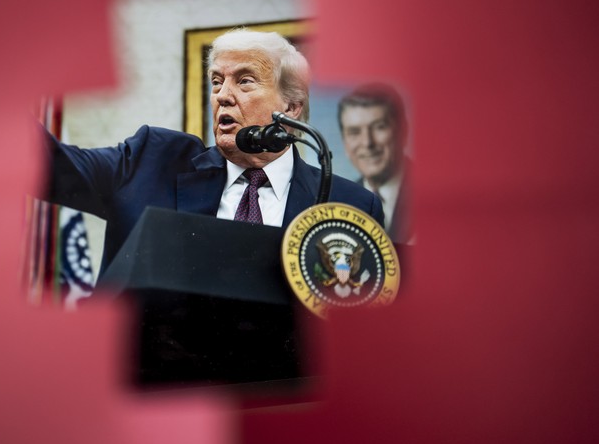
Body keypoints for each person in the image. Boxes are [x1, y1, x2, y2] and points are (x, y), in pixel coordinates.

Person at [43, 29, 385, 277]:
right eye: (217, 81)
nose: (222, 95)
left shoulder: (349, 204)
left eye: (245, 81)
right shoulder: (152, 161)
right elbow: (50, 166)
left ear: (292, 106)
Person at [338, 84, 413, 245]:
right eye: (354, 132)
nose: (367, 143)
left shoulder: (432, 192)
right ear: (344, 142)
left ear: (403, 131)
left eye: (379, 127)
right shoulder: (342, 202)